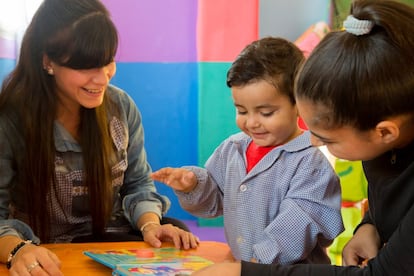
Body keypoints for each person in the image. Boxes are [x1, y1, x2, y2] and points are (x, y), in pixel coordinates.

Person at [192, 0, 414, 275]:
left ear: (384, 132)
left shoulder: (311, 162)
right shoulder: (386, 141)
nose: (315, 143)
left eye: (329, 139)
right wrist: (371, 226)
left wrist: (245, 272)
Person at [0, 0, 199, 274]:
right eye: (86, 67)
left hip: (109, 239)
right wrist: (18, 249)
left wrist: (151, 225)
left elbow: (138, 183)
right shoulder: (11, 118)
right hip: (42, 248)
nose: (103, 78)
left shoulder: (121, 107)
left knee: (175, 231)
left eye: (107, 62)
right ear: (48, 61)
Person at [151, 37, 344, 265]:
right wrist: (193, 185)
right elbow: (214, 202)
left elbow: (296, 227)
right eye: (242, 111)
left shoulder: (309, 163)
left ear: (299, 104)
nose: (252, 123)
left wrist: (250, 266)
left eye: (266, 113)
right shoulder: (233, 148)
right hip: (244, 266)